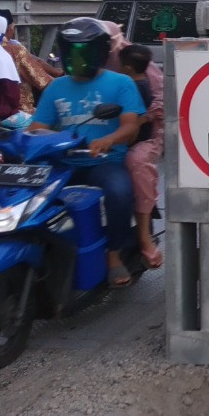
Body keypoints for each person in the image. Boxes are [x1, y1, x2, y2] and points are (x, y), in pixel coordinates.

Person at [28, 17, 145, 287]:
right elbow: (37, 127)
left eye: (84, 51)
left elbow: (131, 127)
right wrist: (15, 141)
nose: (77, 59)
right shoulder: (56, 87)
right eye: (72, 52)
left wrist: (108, 139)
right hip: (62, 164)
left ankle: (113, 255)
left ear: (101, 52)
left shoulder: (120, 84)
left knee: (119, 194)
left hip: (104, 162)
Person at [117, 43, 163, 269]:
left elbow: (138, 118)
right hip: (121, 137)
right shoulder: (138, 80)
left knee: (136, 163)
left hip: (134, 141)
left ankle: (144, 239)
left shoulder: (132, 85)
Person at [0, 9, 61, 115]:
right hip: (18, 112)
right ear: (7, 28)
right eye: (13, 27)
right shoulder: (14, 50)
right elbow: (43, 81)